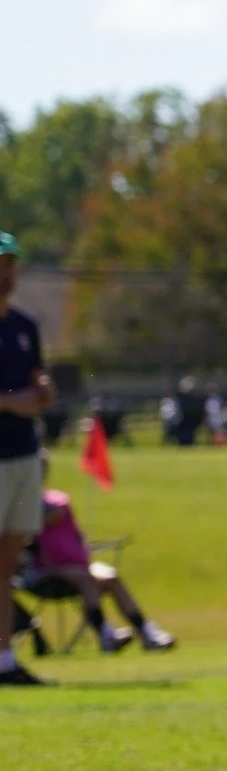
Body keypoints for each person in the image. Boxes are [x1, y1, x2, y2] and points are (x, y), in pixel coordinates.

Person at [29, 458, 176, 653]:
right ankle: (106, 635)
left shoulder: (57, 500)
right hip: (41, 572)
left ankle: (147, 633)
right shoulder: (21, 503)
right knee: (86, 578)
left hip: (76, 567)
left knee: (110, 576)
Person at [0, 231, 55, 686]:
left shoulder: (24, 326)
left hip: (23, 455)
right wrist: (11, 401)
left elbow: (36, 384)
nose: (6, 272)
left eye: (11, 262)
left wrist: (40, 392)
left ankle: (4, 660)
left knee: (7, 563)